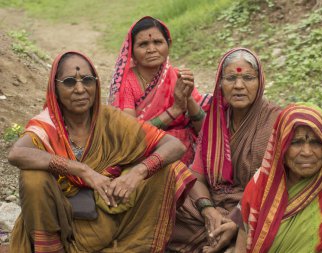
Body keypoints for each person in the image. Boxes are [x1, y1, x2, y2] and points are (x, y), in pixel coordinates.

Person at [7, 51, 196, 253]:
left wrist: (137, 172)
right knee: (32, 176)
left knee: (166, 168)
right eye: (70, 82)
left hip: (107, 216)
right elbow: (17, 154)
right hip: (60, 224)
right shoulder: (47, 124)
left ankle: (130, 245)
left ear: (96, 84)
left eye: (87, 80)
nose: (80, 89)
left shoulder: (110, 119)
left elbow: (174, 146)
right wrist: (82, 170)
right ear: (55, 87)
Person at [167, 48, 281, 253]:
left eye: (247, 77)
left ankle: (230, 238)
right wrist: (208, 210)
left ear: (260, 81)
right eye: (230, 78)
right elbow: (197, 177)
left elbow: (274, 185)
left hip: (254, 209)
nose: (239, 86)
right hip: (215, 205)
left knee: (270, 226)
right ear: (220, 83)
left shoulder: (274, 121)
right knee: (166, 205)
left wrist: (237, 222)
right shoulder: (215, 121)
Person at [234, 103, 322, 252]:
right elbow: (242, 246)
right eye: (296, 142)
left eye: (316, 142)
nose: (307, 152)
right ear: (281, 146)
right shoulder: (263, 184)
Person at [108, 16, 211, 166]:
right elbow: (131, 135)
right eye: (143, 44)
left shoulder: (176, 76)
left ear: (168, 44)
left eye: (157, 42)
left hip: (185, 148)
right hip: (148, 152)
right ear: (132, 50)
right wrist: (174, 111)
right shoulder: (125, 83)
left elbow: (204, 130)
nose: (152, 50)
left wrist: (187, 98)